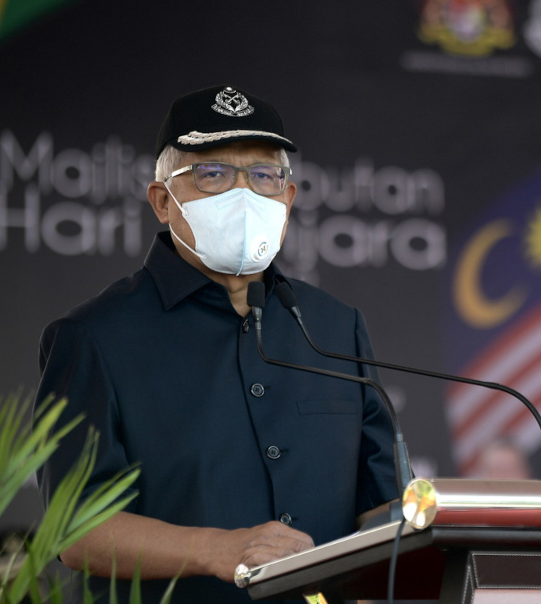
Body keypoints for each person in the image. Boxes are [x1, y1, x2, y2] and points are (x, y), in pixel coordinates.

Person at [35, 85, 398, 603]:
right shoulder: (93, 338)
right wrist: (217, 550)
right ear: (163, 201)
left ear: (288, 198)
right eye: (213, 174)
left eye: (264, 176)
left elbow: (383, 507)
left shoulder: (336, 326)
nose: (244, 194)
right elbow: (75, 530)